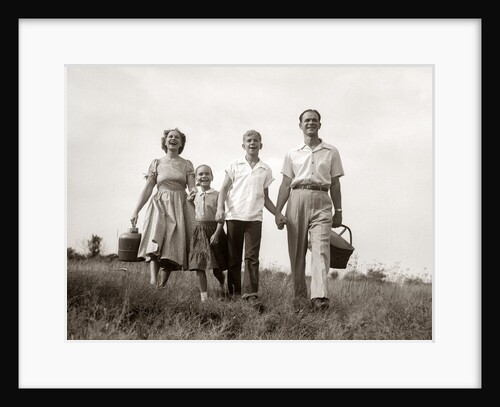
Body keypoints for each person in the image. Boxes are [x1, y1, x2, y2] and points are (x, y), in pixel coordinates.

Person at [274, 109, 344, 311]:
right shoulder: (292, 153)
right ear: (300, 125)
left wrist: (338, 211)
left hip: (322, 199)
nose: (311, 123)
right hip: (297, 199)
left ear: (320, 125)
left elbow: (336, 184)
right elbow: (285, 184)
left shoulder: (331, 151)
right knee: (296, 252)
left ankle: (319, 298)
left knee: (321, 249)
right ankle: (299, 297)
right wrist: (278, 212)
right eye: (307, 120)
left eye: (314, 120)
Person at [215, 130, 287, 308]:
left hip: (254, 219)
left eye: (256, 140)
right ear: (243, 145)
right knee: (234, 257)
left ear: (260, 145)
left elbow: (265, 198)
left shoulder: (265, 169)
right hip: (234, 216)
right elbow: (223, 189)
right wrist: (219, 209)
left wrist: (278, 213)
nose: (252, 143)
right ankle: (233, 292)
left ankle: (250, 294)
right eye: (249, 140)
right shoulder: (234, 165)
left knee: (252, 257)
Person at [130, 128, 197, 289]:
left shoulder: (186, 164)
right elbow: (148, 188)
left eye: (177, 137)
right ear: (165, 141)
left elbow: (192, 187)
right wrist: (136, 210)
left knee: (172, 245)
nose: (173, 139)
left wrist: (194, 193)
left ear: (181, 143)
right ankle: (153, 281)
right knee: (155, 239)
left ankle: (161, 286)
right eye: (170, 137)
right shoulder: (157, 163)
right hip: (159, 203)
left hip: (180, 205)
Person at [188, 164, 228, 302]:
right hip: (199, 232)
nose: (204, 176)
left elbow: (221, 217)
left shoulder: (217, 195)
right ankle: (204, 297)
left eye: (207, 174)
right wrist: (190, 202)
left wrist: (217, 234)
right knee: (199, 265)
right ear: (196, 179)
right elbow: (196, 213)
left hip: (214, 230)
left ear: (212, 177)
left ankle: (222, 284)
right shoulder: (194, 195)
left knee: (217, 267)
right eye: (200, 174)